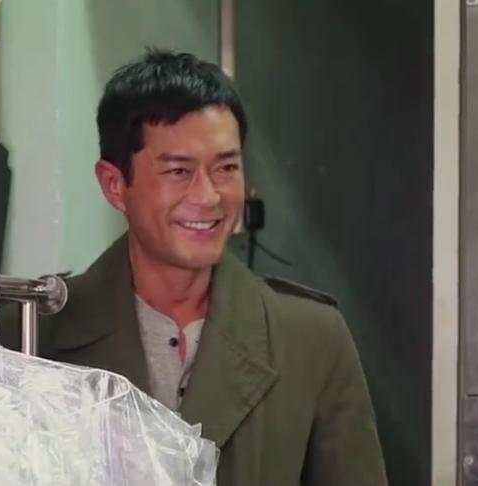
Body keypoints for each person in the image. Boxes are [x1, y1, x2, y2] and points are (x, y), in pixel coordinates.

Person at [37, 49, 387, 485]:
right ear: (114, 184)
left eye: (226, 168)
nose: (208, 197)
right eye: (179, 171)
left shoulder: (311, 338)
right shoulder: (33, 334)